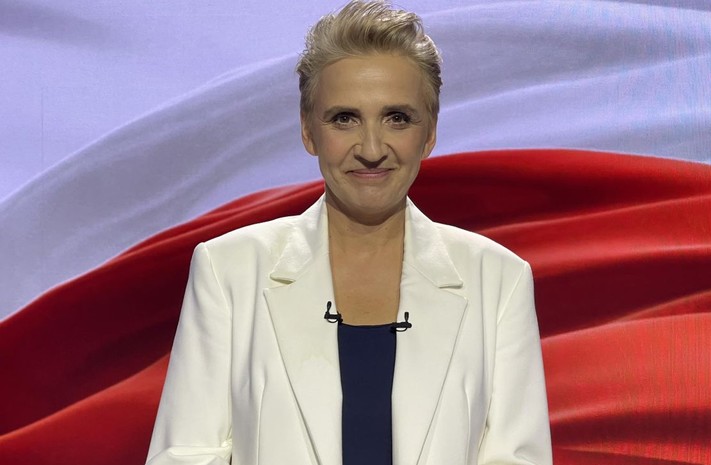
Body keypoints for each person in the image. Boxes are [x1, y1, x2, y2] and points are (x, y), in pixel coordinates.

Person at [145, 1, 552, 464]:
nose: (372, 149)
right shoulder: (229, 270)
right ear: (308, 131)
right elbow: (185, 455)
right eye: (345, 118)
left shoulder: (497, 280)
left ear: (430, 133)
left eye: (397, 117)